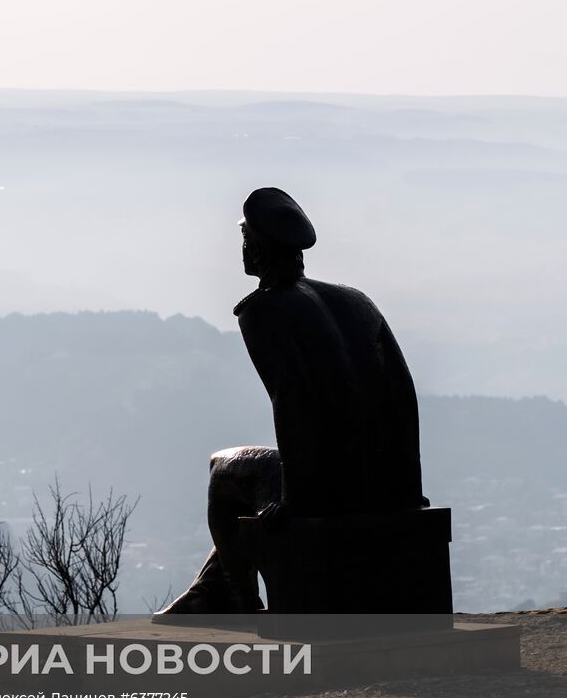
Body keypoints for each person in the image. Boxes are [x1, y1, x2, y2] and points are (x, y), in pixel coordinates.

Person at [158, 187, 427, 615]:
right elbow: (402, 395)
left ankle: (242, 602)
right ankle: (213, 586)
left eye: (245, 238)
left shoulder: (263, 310)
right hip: (387, 480)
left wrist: (295, 497)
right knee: (255, 477)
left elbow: (292, 400)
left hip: (329, 487)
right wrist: (409, 488)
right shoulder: (355, 300)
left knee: (223, 470)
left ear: (257, 249)